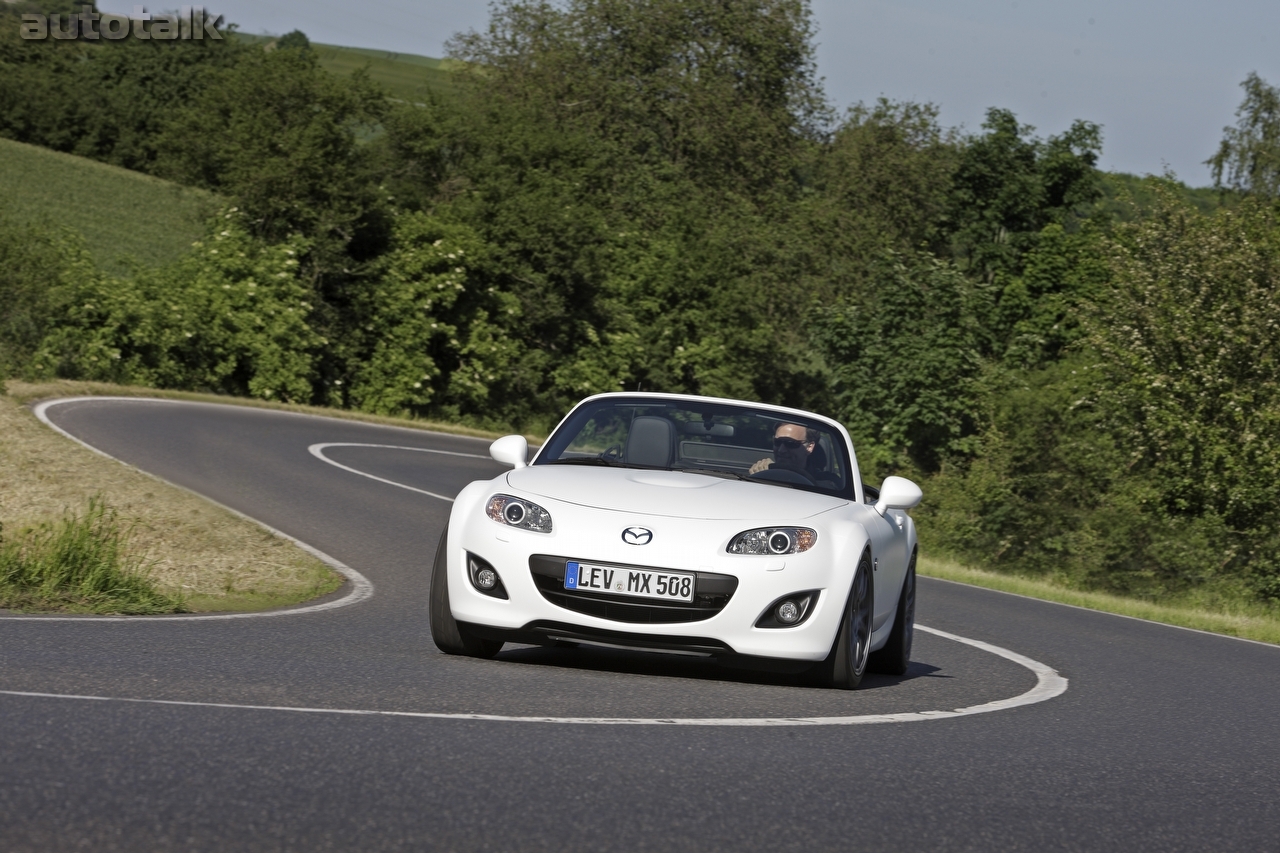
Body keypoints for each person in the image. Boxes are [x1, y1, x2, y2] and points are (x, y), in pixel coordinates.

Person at [749, 423, 819, 479]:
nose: (781, 450)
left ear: (809, 447)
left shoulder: (824, 482)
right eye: (777, 442)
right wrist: (759, 476)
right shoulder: (763, 471)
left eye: (790, 443)